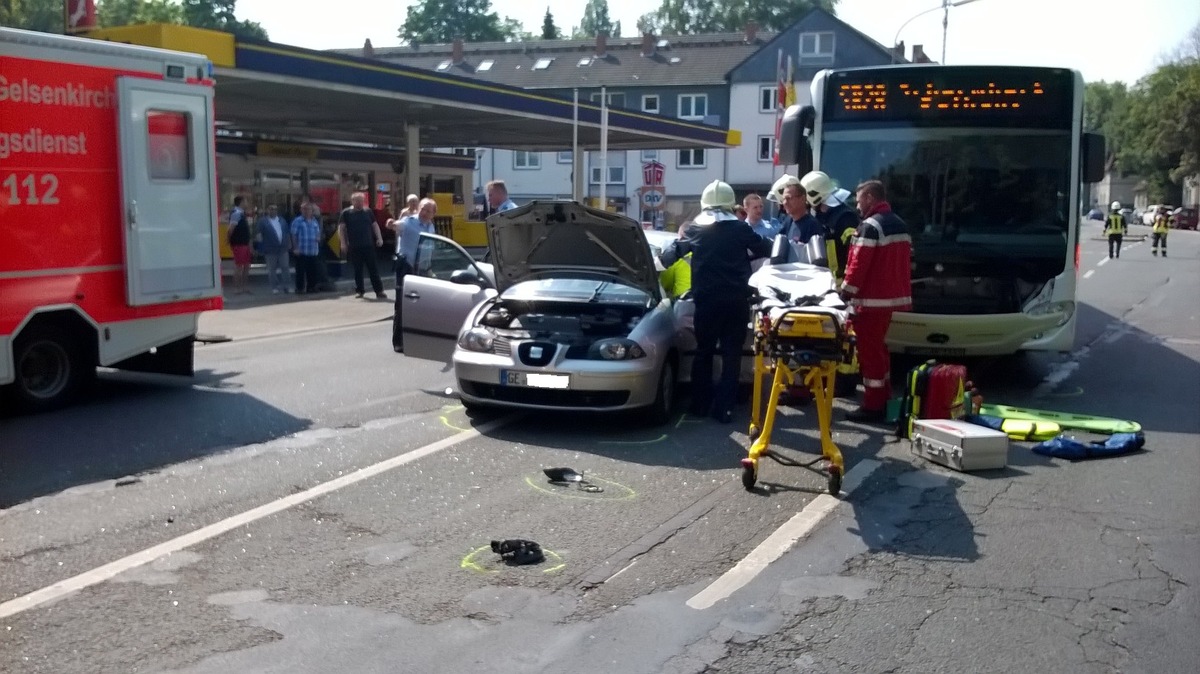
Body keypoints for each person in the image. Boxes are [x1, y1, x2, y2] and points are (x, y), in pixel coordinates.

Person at [660, 180, 772, 423]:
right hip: (736, 301)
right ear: (731, 206)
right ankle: (725, 409)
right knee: (732, 354)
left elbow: (669, 256)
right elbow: (768, 248)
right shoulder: (741, 229)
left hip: (707, 301)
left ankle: (701, 404)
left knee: (704, 352)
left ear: (705, 205)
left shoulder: (697, 229)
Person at [839, 179, 913, 423]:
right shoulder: (899, 224)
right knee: (880, 351)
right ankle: (885, 397)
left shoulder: (870, 227)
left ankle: (873, 406)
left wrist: (845, 292)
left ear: (870, 197)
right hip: (890, 300)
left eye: (859, 199)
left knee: (870, 354)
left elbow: (859, 264)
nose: (857, 206)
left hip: (869, 302)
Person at [392, 198, 438, 352]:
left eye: (428, 211)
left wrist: (430, 269)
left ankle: (416, 339)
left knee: (419, 306)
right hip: (406, 267)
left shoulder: (431, 227)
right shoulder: (408, 221)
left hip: (422, 270)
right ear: (419, 208)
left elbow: (429, 250)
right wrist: (392, 224)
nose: (424, 212)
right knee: (401, 304)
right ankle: (398, 342)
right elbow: (398, 226)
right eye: (423, 208)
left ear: (433, 214)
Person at [801, 171, 859, 282]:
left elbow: (853, 253)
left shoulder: (845, 218)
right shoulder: (821, 216)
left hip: (843, 283)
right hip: (827, 280)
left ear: (814, 195)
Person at [338, 191, 387, 299]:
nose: (360, 203)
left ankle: (379, 291)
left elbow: (375, 225)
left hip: (368, 245)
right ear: (353, 201)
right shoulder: (346, 213)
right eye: (358, 201)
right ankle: (359, 290)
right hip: (355, 246)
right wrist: (343, 243)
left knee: (373, 269)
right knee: (357, 269)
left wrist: (379, 238)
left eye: (362, 201)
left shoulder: (368, 211)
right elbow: (341, 228)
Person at [256, 204, 292, 294]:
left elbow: (287, 233)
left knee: (285, 268)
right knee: (272, 269)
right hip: (270, 249)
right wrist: (260, 247)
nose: (273, 211)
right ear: (267, 210)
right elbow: (258, 234)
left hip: (283, 249)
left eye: (275, 209)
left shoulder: (282, 220)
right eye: (271, 209)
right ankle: (274, 287)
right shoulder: (263, 221)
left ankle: (286, 286)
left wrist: (289, 243)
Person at [290, 202, 322, 294]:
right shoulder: (297, 221)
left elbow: (318, 232)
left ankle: (311, 287)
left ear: (312, 211)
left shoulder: (315, 221)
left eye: (308, 209)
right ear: (301, 210)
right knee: (300, 271)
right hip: (301, 250)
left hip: (313, 250)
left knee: (312, 271)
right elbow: (293, 235)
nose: (306, 211)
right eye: (304, 209)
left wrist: (318, 237)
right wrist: (295, 248)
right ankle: (300, 288)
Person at [658, 222, 692, 300]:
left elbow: (664, 284)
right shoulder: (706, 253)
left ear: (680, 236)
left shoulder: (675, 256)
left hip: (684, 302)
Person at [227, 196, 253, 295]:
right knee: (239, 267)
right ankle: (237, 288)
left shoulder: (242, 214)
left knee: (247, 266)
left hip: (245, 244)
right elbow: (230, 229)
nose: (247, 203)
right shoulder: (236, 214)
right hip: (239, 244)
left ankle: (245, 287)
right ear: (241, 202)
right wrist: (230, 242)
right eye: (245, 200)